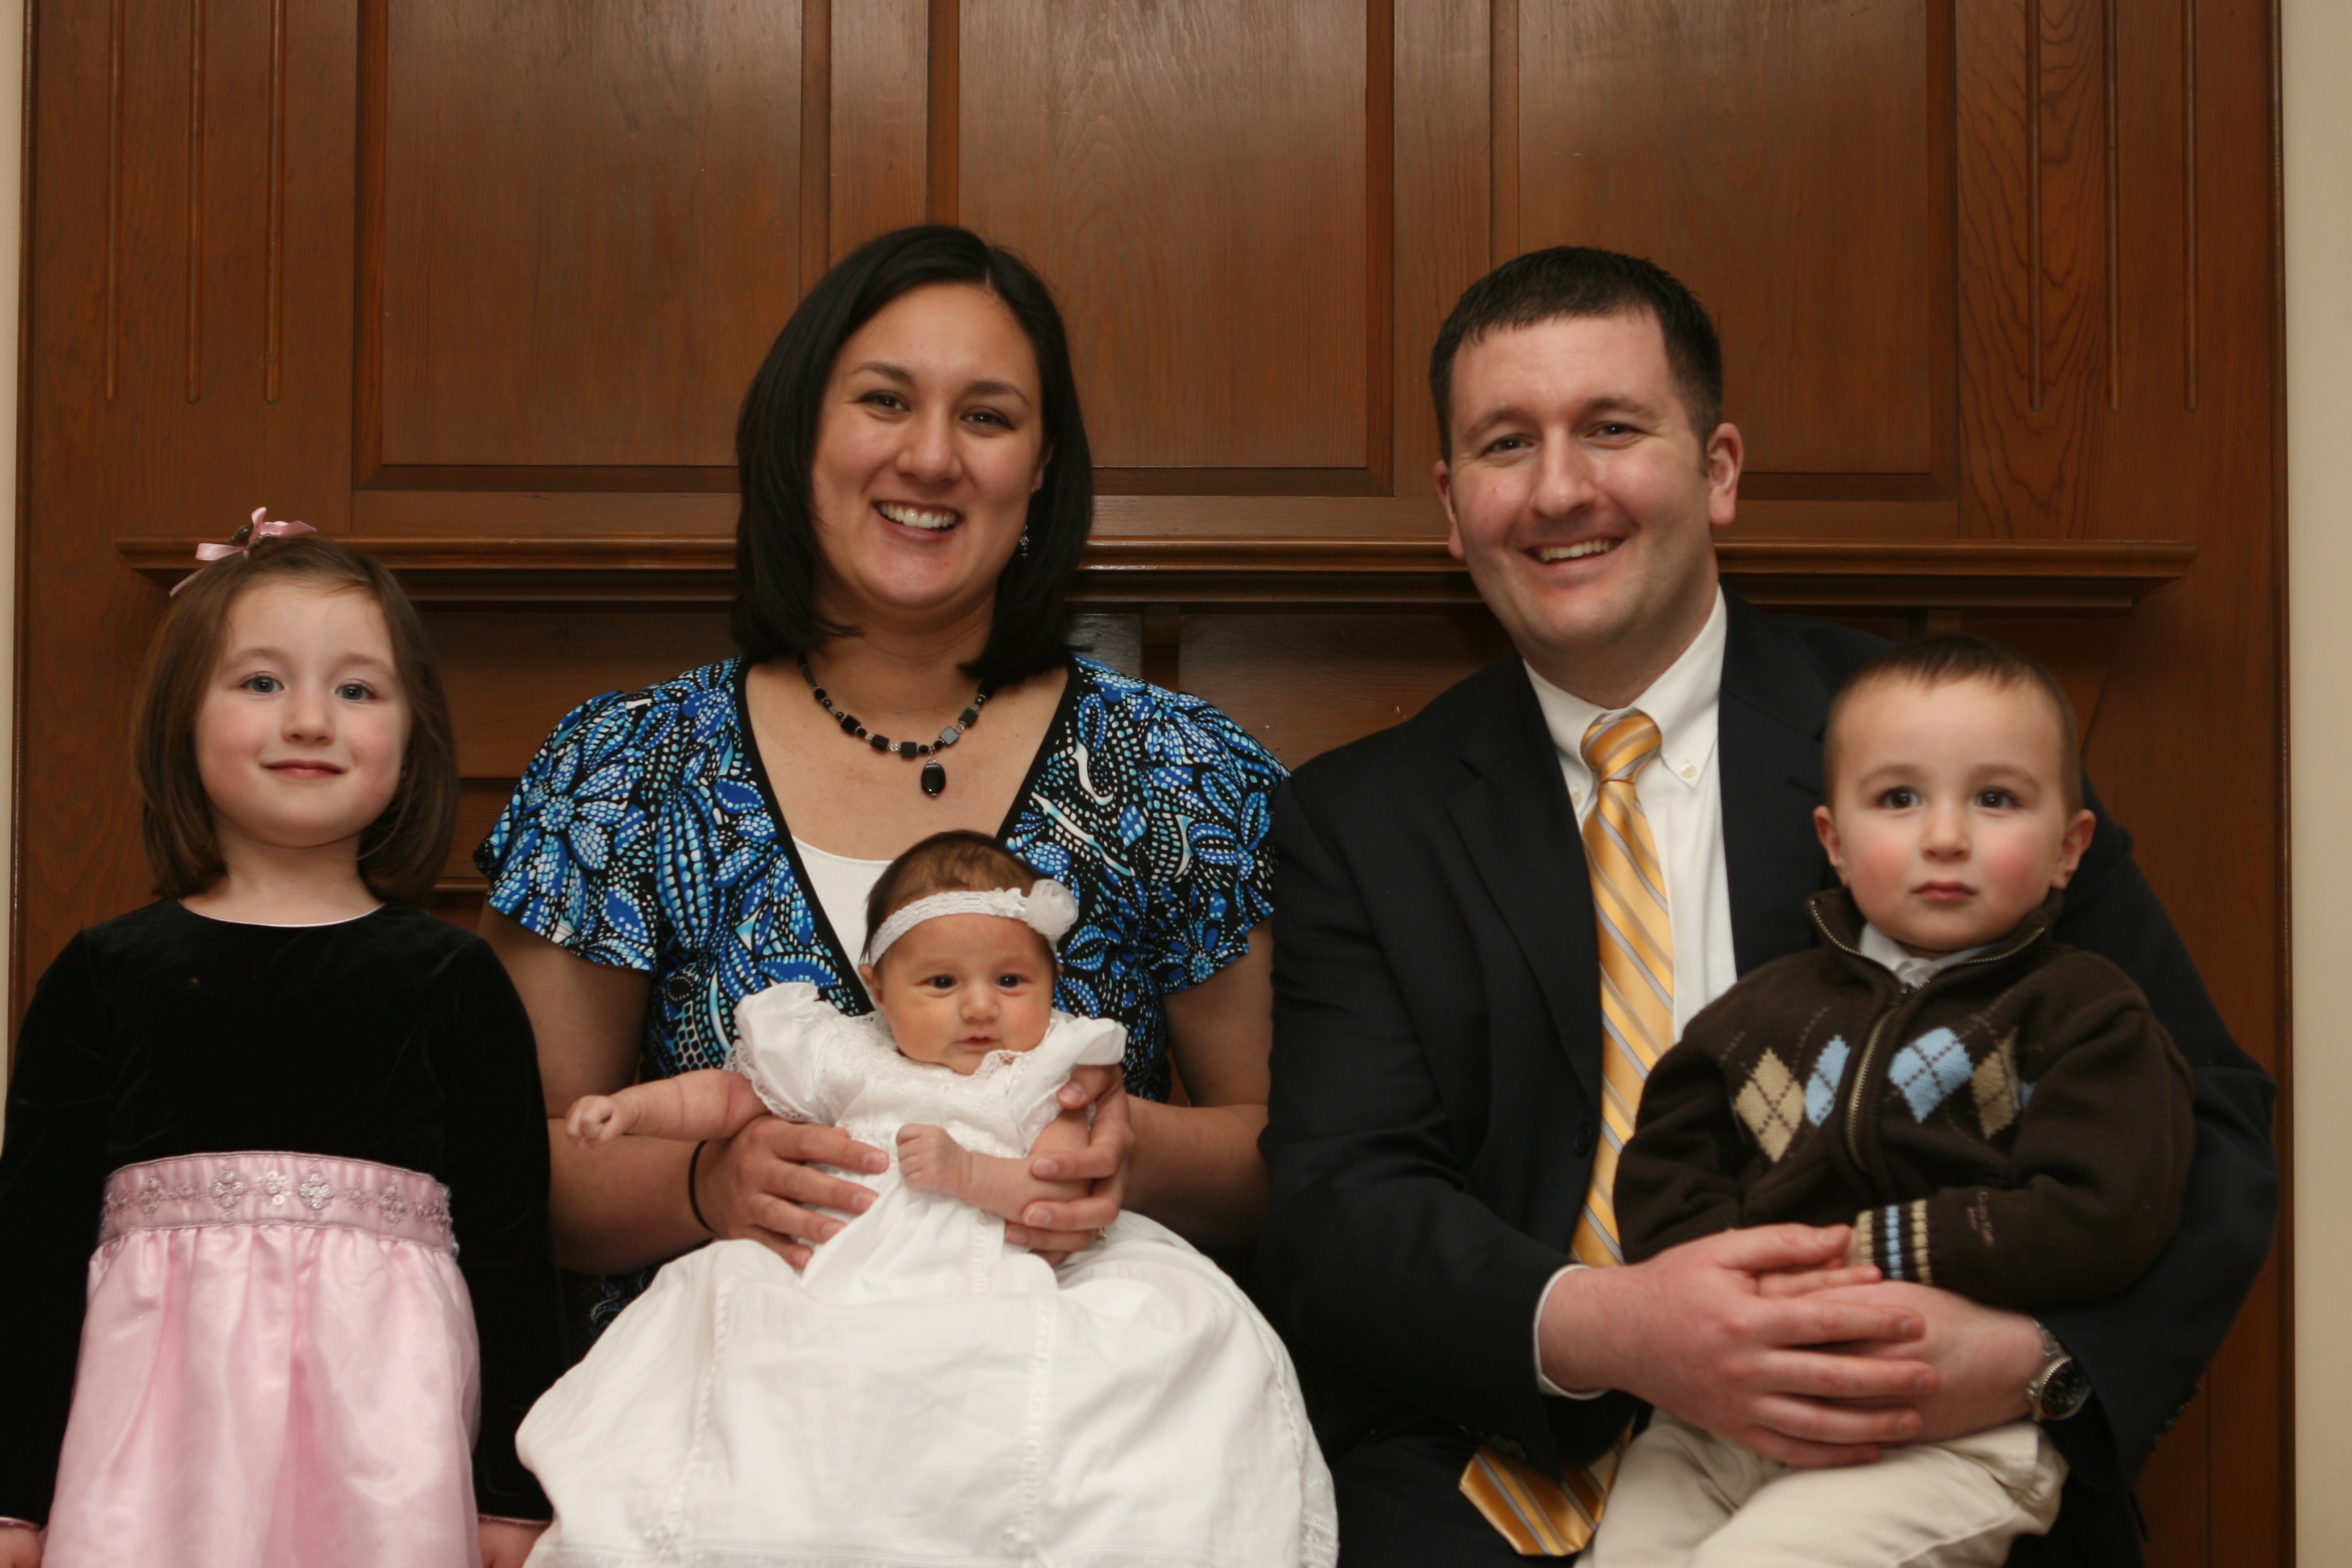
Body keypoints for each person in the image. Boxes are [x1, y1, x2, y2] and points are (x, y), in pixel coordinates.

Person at [1255, 246, 2276, 1565]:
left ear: (1718, 469)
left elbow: (2201, 1115)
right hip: (1500, 1472)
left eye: (1611, 428)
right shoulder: (1357, 821)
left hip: (1917, 1438)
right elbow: (1342, 1202)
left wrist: (2029, 1357)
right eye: (1507, 443)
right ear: (1455, 506)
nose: (1559, 488)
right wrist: (1617, 1327)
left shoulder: (1939, 750)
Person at [474, 225, 1283, 1341]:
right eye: (885, 401)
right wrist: (704, 1185)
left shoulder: (1180, 773)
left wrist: (1130, 1151)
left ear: (1041, 469)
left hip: (1067, 1395)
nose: (932, 457)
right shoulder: (625, 771)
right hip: (732, 1398)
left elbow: (1297, 1152)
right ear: (799, 432)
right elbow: (517, 1162)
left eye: (987, 416)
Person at [518, 832, 1336, 1568]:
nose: (980, 1007)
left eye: (1011, 980)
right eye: (941, 981)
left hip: (1019, 1262)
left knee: (1145, 1350)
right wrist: (630, 1111)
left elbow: (1053, 1188)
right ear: (878, 986)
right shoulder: (842, 1053)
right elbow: (727, 1098)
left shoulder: (1052, 1067)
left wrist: (966, 1172)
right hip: (849, 1257)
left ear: (1052, 978)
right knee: (756, 1360)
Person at [0, 523, 565, 1568]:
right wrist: (13, 1498)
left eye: (358, 690)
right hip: (156, 1453)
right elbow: (31, 1251)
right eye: (261, 682)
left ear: (414, 733)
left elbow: (510, 1252)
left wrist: (510, 1489)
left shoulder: (455, 981)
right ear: (182, 717)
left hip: (384, 1442)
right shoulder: (104, 974)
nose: (311, 719)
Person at [1585, 635, 2194, 1567]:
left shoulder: (2087, 1015)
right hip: (1731, 1414)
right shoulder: (1757, 1013)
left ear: (2070, 848)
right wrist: (1738, 1277)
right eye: (1899, 798)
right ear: (1834, 840)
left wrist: (1883, 1250)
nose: (1945, 836)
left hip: (1948, 1436)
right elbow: (1667, 1168)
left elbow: (2105, 1211)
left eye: (1996, 799)